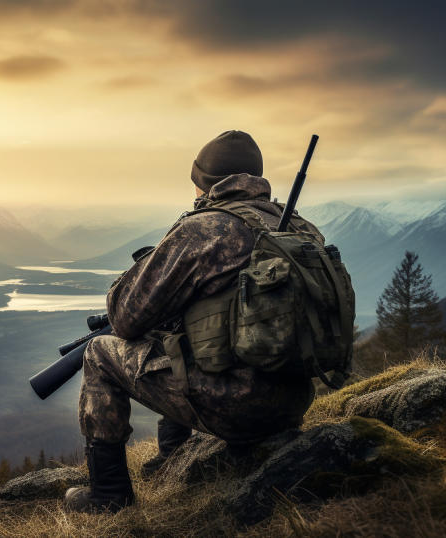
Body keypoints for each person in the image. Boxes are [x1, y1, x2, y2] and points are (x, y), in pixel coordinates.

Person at [64, 130, 324, 513]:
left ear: (206, 183)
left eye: (196, 186)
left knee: (101, 353)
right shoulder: (300, 228)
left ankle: (108, 497)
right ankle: (175, 458)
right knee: (184, 339)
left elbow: (124, 316)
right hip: (291, 403)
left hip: (235, 408)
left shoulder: (205, 229)